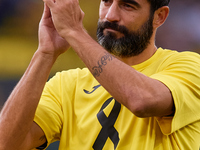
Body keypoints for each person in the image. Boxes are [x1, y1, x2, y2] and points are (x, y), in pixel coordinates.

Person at [0, 0, 200, 149]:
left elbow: (142, 101)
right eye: (106, 1)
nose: (110, 15)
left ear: (159, 16)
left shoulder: (189, 67)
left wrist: (74, 31)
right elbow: (6, 144)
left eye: (128, 5)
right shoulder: (66, 84)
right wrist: (45, 53)